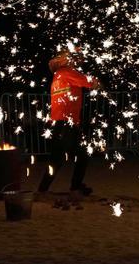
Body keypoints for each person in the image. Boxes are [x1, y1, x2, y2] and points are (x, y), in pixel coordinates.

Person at [37, 48, 101, 196]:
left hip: (62, 123)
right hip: (66, 123)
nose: (79, 62)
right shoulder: (67, 72)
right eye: (76, 59)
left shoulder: (58, 75)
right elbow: (88, 82)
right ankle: (46, 189)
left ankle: (68, 187)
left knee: (72, 156)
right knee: (63, 158)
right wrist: (98, 83)